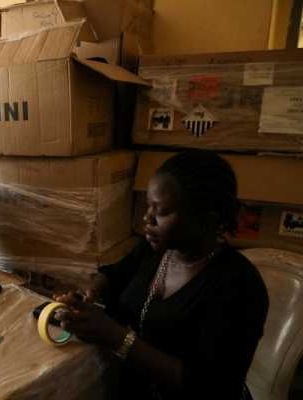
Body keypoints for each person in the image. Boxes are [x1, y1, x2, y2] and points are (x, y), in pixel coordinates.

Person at [55, 149, 269, 400]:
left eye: (162, 211)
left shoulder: (240, 286)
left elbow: (209, 386)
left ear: (206, 220)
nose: (147, 218)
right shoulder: (156, 250)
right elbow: (114, 275)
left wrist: (115, 337)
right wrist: (90, 294)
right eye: (148, 205)